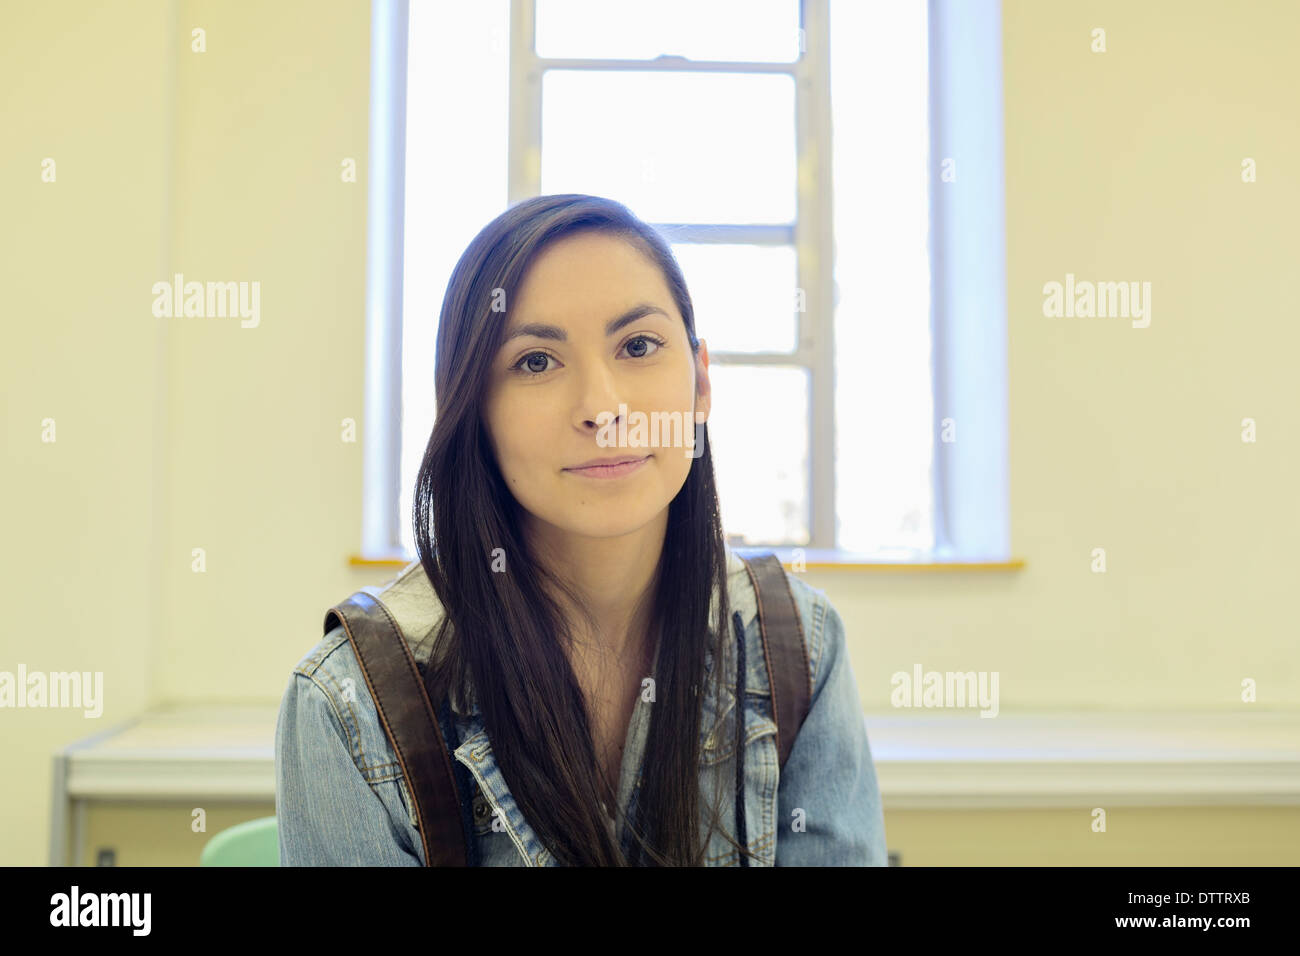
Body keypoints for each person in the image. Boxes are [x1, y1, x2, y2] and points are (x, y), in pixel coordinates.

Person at [275, 194, 887, 866]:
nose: (603, 409)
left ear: (701, 382)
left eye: (639, 346)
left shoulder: (798, 645)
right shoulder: (349, 704)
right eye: (536, 361)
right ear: (472, 407)